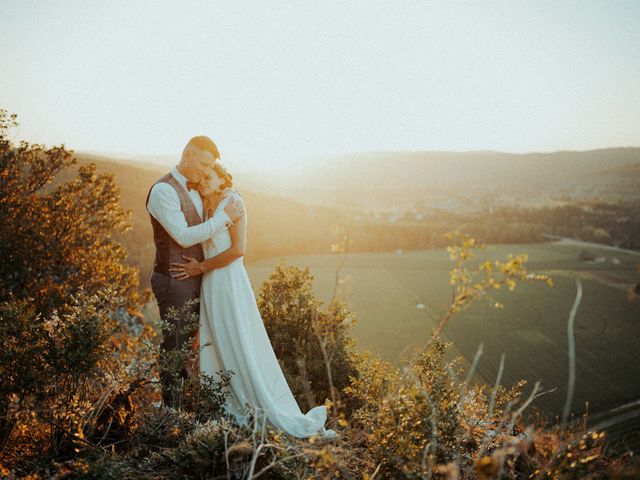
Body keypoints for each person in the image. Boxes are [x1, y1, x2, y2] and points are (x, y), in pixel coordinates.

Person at [169, 150, 338, 440]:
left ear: (223, 180)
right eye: (203, 176)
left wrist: (201, 267)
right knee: (217, 342)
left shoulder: (233, 202)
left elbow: (238, 250)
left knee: (238, 340)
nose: (203, 181)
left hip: (229, 281)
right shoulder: (204, 202)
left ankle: (257, 403)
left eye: (209, 176)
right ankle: (221, 406)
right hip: (210, 284)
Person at [145, 136, 244, 408]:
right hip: (175, 278)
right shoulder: (163, 190)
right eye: (202, 163)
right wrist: (225, 219)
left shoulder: (199, 189)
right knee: (176, 345)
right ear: (186, 154)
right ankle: (171, 412)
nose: (205, 171)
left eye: (209, 166)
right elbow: (183, 236)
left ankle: (189, 405)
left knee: (194, 346)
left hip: (200, 278)